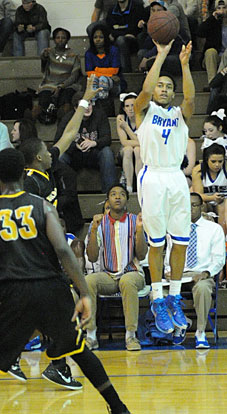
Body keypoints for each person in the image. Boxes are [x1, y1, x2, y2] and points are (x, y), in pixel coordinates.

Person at [0, 148, 131, 414]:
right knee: (79, 349)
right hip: (50, 289)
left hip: (12, 291)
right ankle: (119, 408)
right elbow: (63, 250)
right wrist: (83, 292)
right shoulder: (42, 206)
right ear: (24, 174)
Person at [134, 40, 195, 334]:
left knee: (181, 241)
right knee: (157, 244)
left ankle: (173, 297)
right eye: (161, 85)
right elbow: (144, 92)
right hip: (153, 177)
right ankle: (157, 298)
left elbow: (192, 101)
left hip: (176, 178)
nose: (165, 89)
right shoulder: (142, 112)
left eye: (169, 86)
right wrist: (159, 56)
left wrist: (183, 65)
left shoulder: (179, 116)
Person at [85, 184, 148, 351]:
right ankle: (91, 335)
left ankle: (131, 336)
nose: (118, 197)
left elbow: (141, 255)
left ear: (127, 199)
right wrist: (92, 230)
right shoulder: (100, 222)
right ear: (108, 200)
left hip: (133, 273)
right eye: (113, 194)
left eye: (121, 194)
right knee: (88, 281)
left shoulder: (136, 220)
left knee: (127, 281)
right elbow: (91, 257)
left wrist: (140, 232)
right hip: (109, 275)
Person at [164, 192, 226, 348]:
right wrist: (168, 271)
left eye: (194, 205)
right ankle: (180, 325)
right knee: (157, 293)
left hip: (202, 274)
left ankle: (200, 332)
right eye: (187, 206)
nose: (190, 209)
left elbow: (219, 259)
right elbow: (168, 258)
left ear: (201, 206)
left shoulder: (214, 229)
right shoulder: (174, 229)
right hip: (180, 274)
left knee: (203, 288)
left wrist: (205, 274)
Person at [54, 90, 117, 194]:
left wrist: (94, 143)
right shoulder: (67, 118)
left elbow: (107, 138)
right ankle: (62, 193)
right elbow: (57, 141)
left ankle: (109, 193)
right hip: (74, 155)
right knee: (60, 156)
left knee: (107, 152)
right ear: (76, 109)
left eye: (89, 104)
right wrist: (74, 146)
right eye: (84, 106)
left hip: (94, 154)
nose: (87, 108)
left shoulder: (100, 115)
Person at [192, 143, 227, 234]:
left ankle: (223, 239)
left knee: (224, 207)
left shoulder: (225, 169)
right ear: (207, 160)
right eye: (213, 161)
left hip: (223, 200)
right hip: (206, 200)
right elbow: (198, 196)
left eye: (220, 161)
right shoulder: (198, 171)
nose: (217, 165)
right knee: (199, 206)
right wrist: (213, 198)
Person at [85, 24, 122, 103]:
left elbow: (114, 71)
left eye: (101, 37)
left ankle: (102, 98)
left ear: (106, 38)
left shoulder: (113, 50)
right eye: (95, 37)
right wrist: (108, 74)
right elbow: (89, 73)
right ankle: (95, 100)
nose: (98, 40)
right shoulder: (89, 53)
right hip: (98, 81)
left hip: (114, 84)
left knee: (102, 79)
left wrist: (97, 70)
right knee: (94, 79)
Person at [106, 0, 146, 72]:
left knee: (121, 40)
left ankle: (126, 72)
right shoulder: (111, 10)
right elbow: (109, 29)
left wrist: (116, 33)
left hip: (134, 41)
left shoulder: (137, 7)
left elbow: (136, 28)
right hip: (117, 41)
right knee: (119, 40)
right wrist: (124, 34)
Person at [197, 0, 227, 88]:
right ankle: (213, 84)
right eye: (219, 8)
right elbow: (199, 32)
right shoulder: (213, 23)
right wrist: (212, 18)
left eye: (224, 8)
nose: (221, 11)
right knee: (210, 52)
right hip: (217, 56)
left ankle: (218, 83)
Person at [116, 92, 143, 193]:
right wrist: (138, 142)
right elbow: (124, 142)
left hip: (141, 150)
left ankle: (140, 185)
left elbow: (143, 142)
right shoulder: (121, 118)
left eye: (133, 105)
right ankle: (129, 186)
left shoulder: (143, 117)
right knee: (128, 149)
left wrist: (126, 127)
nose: (130, 108)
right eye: (127, 106)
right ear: (124, 108)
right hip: (125, 152)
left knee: (137, 150)